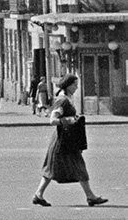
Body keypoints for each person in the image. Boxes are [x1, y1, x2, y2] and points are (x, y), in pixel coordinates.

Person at [33, 74, 106, 206]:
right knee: (70, 167)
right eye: (75, 85)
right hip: (63, 141)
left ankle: (39, 194)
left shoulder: (66, 98)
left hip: (67, 139)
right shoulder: (63, 101)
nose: (77, 87)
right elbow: (52, 120)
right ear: (68, 85)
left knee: (54, 168)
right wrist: (70, 120)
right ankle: (90, 197)